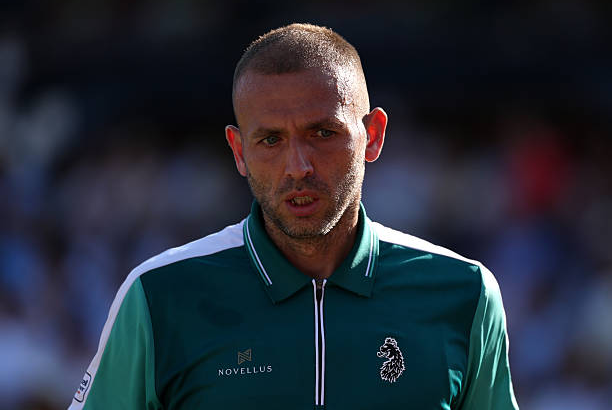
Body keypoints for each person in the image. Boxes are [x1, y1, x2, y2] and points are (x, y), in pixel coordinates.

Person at [68, 23, 519, 409]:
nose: (298, 166)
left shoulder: (465, 292)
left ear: (372, 136)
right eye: (270, 140)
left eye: (322, 133)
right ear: (238, 151)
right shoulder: (157, 295)